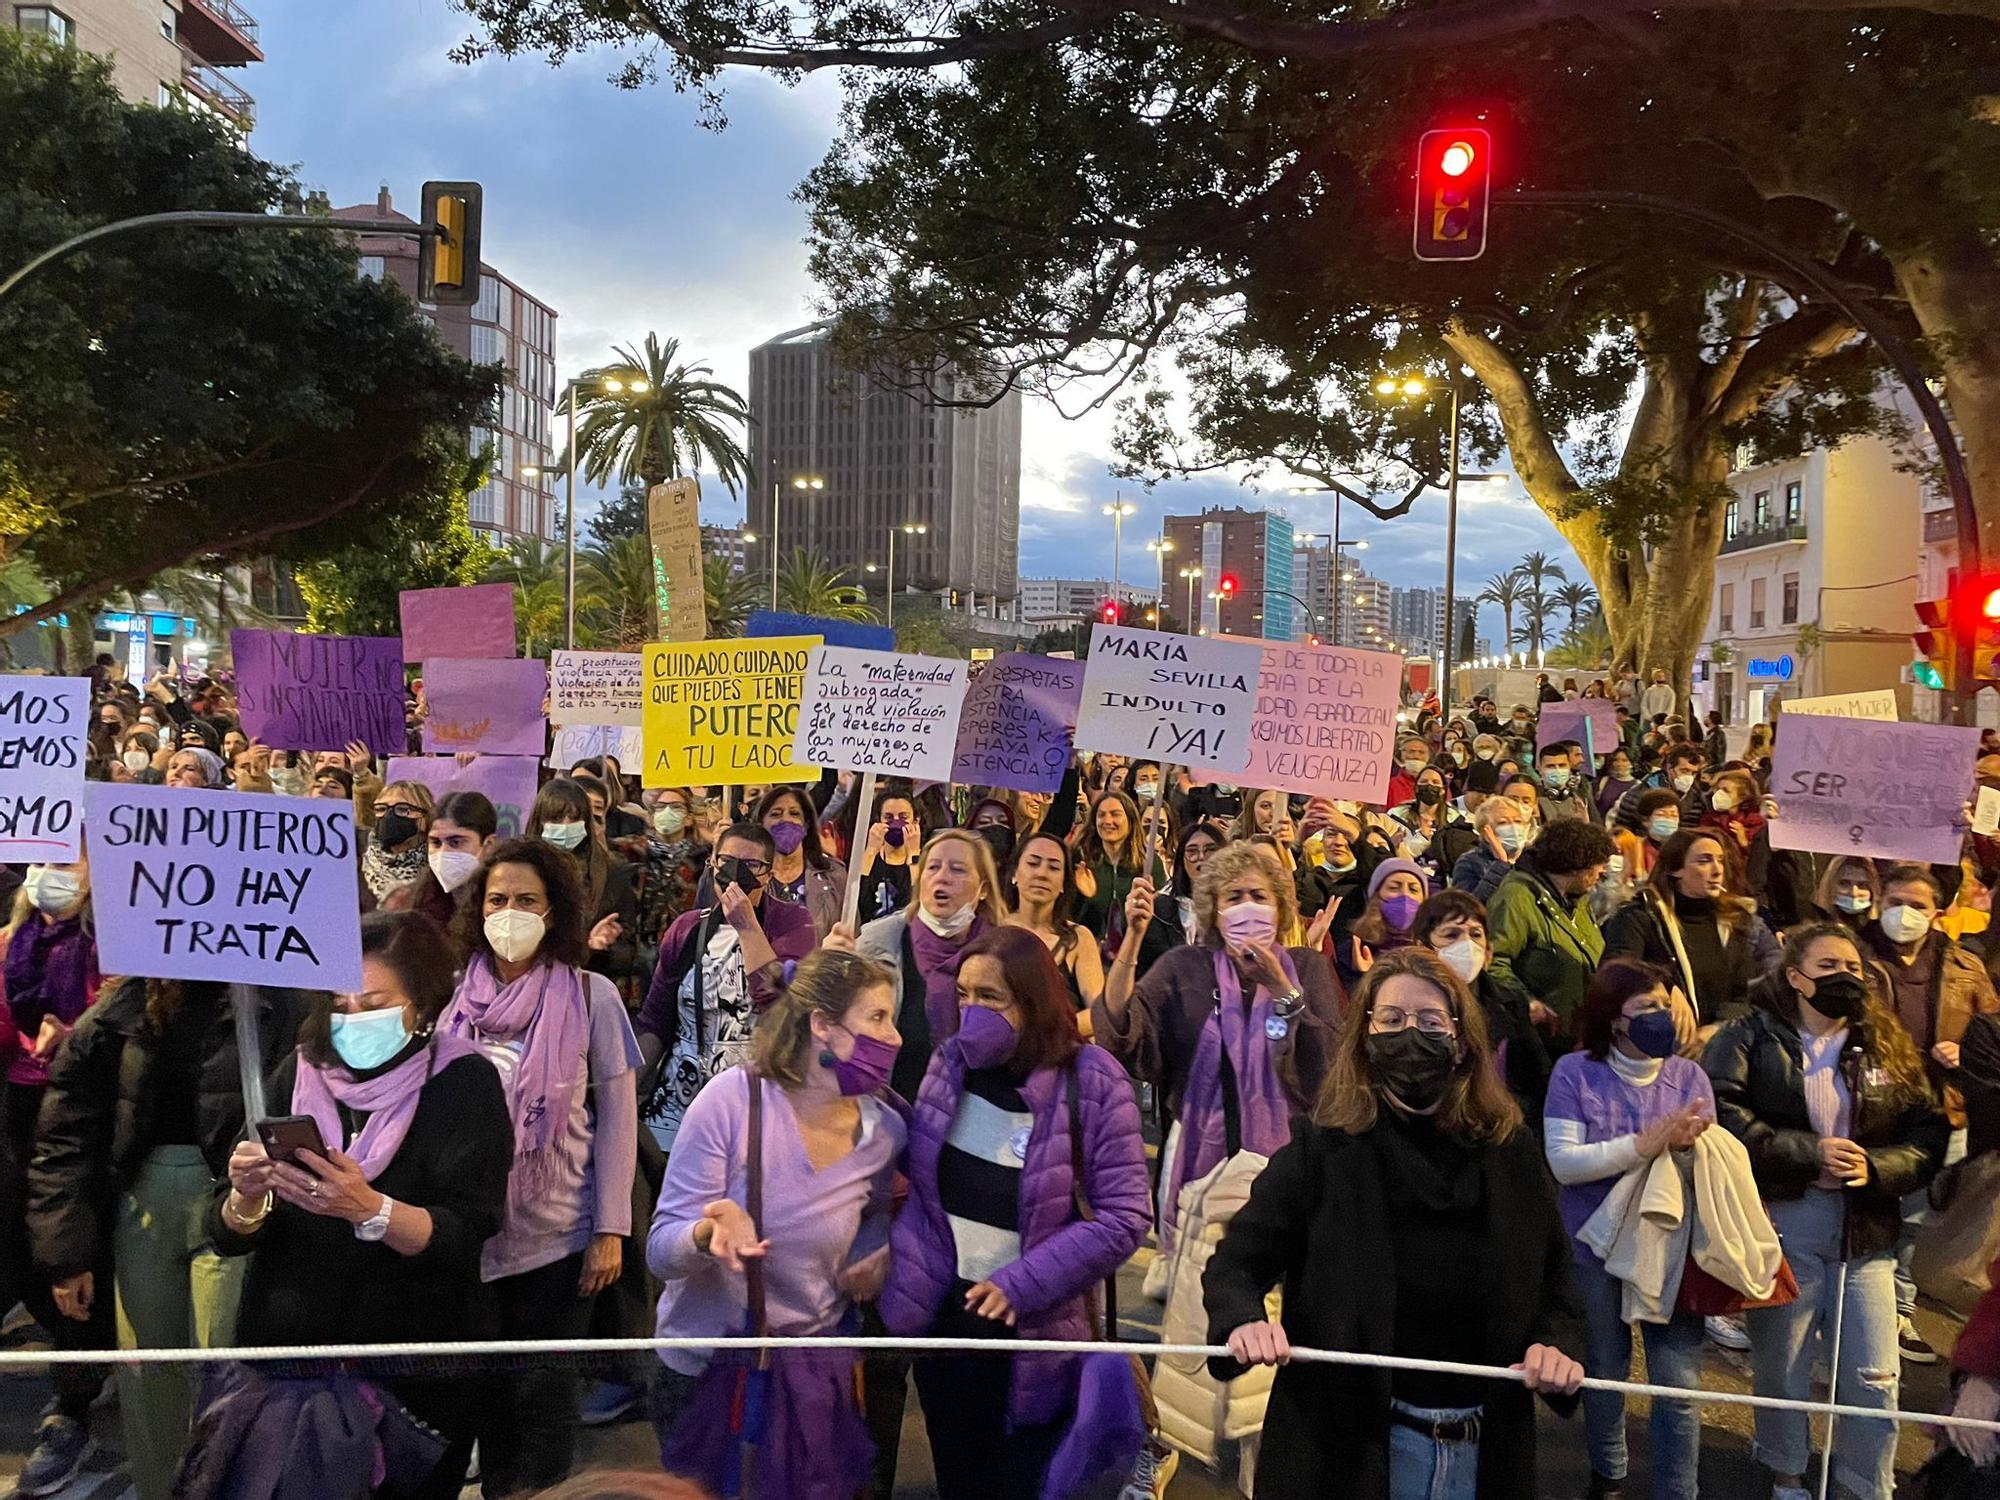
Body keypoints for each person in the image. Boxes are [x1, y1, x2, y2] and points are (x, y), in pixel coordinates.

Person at [1203, 947, 1587, 1500]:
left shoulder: (1509, 1153)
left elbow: (1557, 1278)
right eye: (1392, 1020)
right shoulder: (1322, 1152)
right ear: (1366, 1037)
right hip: (1350, 1454)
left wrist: (1556, 1342)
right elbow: (1237, 1263)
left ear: (1460, 1042)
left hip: (1484, 1450)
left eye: (1431, 1021)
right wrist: (1243, 1320)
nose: (1411, 1033)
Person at [210, 911, 512, 1498]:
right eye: (341, 1006)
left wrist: (370, 1209)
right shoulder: (299, 1071)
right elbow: (229, 1229)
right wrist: (245, 1197)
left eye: (372, 1003)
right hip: (291, 1365)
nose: (352, 1020)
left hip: (414, 1373)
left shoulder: (464, 1081)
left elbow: (466, 1230)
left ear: (422, 1006)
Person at [882, 926, 1151, 1500]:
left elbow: (1126, 1216)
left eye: (991, 998)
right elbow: (926, 1172)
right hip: (947, 1327)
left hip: (1034, 1334)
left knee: (1024, 1479)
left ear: (1031, 1002)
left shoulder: (1093, 1078)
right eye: (965, 995)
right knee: (960, 1475)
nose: (971, 1009)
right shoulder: (949, 1061)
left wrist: (1020, 1284)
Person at [27, 972, 309, 1500]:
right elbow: (67, 1130)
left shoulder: (279, 1001)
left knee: (225, 1368)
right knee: (147, 1376)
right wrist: (66, 1253)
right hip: (143, 1204)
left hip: (240, 1200)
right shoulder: (122, 1007)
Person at [1703, 923, 1948, 1500]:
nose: (1845, 979)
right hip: (1783, 1221)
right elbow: (1722, 1113)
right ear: (1794, 977)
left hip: (1866, 1232)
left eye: (1854, 970)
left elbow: (1928, 1130)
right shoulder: (1749, 1038)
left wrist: (1879, 1167)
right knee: (1781, 1367)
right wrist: (1807, 1152)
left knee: (1875, 1375)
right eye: (1829, 967)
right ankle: (1787, 1472)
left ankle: (1866, 1483)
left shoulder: (1885, 1044)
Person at [647, 950, 906, 1494]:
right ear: (822, 1026)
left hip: (814, 1376)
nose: (897, 1038)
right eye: (878, 1017)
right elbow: (659, 1251)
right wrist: (704, 1234)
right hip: (706, 1373)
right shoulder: (731, 1102)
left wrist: (877, 1247)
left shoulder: (885, 1134)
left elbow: (877, 1215)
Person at [443, 838, 642, 1498]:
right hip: (471, 1239)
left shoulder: (592, 995)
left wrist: (610, 1228)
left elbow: (617, 1117)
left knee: (545, 1401)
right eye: (498, 900)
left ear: (553, 912)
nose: (510, 913)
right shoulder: (451, 999)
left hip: (559, 1239)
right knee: (489, 1400)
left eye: (527, 900)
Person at [1094, 842, 1342, 1271]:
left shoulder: (1307, 966)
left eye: (1259, 896)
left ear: (1280, 907)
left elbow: (1330, 1064)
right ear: (1214, 909)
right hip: (1201, 1168)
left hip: (1288, 1166)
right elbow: (1120, 1031)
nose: (1248, 906)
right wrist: (1133, 939)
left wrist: (1283, 989)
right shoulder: (1184, 967)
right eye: (1234, 897)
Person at [1545, 960, 1715, 1500]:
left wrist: (1685, 1147)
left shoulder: (1690, 1077)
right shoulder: (1574, 1072)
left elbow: (1711, 1164)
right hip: (1591, 1243)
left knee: (1679, 1382)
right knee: (1604, 1370)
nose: (1660, 1017)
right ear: (1614, 1020)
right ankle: (1609, 1475)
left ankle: (1678, 1490)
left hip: (1669, 1245)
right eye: (1645, 1008)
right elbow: (1565, 1164)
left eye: (1665, 1005)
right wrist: (1645, 1145)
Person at [1857, 863, 1998, 1361]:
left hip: (1943, 1109)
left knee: (1918, 1221)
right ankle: (1860, 1314)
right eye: (1895, 902)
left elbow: (1991, 1031)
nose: (1904, 914)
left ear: (1939, 913)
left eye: (1917, 906)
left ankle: (1898, 1313)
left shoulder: (1965, 966)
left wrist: (1967, 1052)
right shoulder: (1855, 956)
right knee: (1872, 1213)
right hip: (1873, 1110)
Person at [0, 853, 108, 1496]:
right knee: (22, 1254)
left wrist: (74, 1034)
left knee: (69, 1259)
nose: (50, 871)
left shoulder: (115, 946)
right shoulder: (12, 943)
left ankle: (74, 1407)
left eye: (66, 859)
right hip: (17, 1109)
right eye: (39, 857)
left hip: (84, 1114)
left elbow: (129, 1029)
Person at [637, 823, 817, 1155]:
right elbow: (656, 1019)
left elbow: (784, 1008)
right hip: (679, 1107)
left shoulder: (793, 924)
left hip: (756, 1108)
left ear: (768, 873)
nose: (736, 873)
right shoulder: (687, 929)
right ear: (713, 864)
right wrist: (625, 1089)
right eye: (727, 861)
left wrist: (747, 927)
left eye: (750, 865)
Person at [857, 828, 1008, 1100]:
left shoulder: (1004, 953)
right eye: (933, 867)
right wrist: (832, 968)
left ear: (983, 889)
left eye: (958, 870)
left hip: (972, 1116)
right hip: (892, 1114)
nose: (942, 877)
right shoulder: (876, 944)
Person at [1602, 829, 1761, 1038]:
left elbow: (1744, 995)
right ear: (1676, 869)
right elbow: (1616, 971)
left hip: (1717, 1047)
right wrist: (1663, 985)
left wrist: (1716, 1030)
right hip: (1656, 1045)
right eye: (1704, 861)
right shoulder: (1640, 917)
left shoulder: (1733, 921)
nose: (1717, 870)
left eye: (1720, 860)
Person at [1412, 890, 1549, 1124]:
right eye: (1451, 935)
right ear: (1422, 947)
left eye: (1476, 934)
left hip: (1501, 1128)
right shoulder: (1408, 1005)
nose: (1466, 945)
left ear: (1488, 951)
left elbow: (1535, 1078)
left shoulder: (1510, 1003)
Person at [1488, 817, 1613, 1035]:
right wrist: (1527, 1002)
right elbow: (1493, 961)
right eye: (1599, 863)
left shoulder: (1578, 900)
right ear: (1576, 866)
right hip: (1541, 1037)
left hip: (1581, 1031)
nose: (1602, 871)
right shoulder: (1516, 897)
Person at [533, 777, 639, 990]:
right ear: (539, 821)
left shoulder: (612, 874)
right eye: (555, 818)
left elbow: (628, 952)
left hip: (586, 991)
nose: (565, 826)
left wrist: (598, 947)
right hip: (530, 987)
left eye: (573, 818)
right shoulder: (522, 871)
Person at [1005, 832, 1106, 1018]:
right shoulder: (992, 930)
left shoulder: (1079, 938)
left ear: (1063, 884)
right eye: (1033, 864)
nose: (1042, 874)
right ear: (1014, 874)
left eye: (1053, 867)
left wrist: (1051, 1031)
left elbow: (1098, 1014)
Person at [383, 790, 497, 929]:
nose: (443, 852)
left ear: (489, 845)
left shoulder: (503, 904)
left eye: (455, 842)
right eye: (436, 843)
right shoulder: (408, 902)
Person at [754, 784, 848, 938]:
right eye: (776, 814)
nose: (786, 820)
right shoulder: (748, 875)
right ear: (761, 824)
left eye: (795, 813)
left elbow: (850, 933)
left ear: (807, 824)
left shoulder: (834, 873)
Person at [1073, 788, 1166, 944]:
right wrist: (1088, 898)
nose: (1107, 821)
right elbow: (1069, 917)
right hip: (1088, 949)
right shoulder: (1081, 859)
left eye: (1115, 814)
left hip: (1135, 952)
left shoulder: (1149, 864)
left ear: (1130, 820)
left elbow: (1158, 919)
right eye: (1101, 815)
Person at [1343, 859, 1430, 986]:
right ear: (1376, 895)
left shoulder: (1433, 948)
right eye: (1394, 888)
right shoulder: (1353, 949)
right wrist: (1362, 978)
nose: (1405, 895)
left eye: (1414, 889)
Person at [362, 779, 435, 906]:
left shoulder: (436, 871)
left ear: (425, 818)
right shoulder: (357, 867)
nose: (389, 816)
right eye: (381, 808)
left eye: (403, 809)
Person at [853, 787, 921, 922]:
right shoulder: (869, 858)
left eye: (903, 817)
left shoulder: (925, 861)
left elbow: (916, 903)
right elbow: (856, 902)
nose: (896, 823)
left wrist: (913, 853)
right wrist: (871, 850)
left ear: (915, 821)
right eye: (888, 818)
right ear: (878, 821)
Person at [1452, 795, 1529, 904]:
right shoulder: (1469, 862)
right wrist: (1501, 865)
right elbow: (1468, 907)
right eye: (1503, 822)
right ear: (1485, 832)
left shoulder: (1533, 860)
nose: (1513, 827)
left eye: (1518, 821)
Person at [1813, 857, 1880, 936]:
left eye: (1862, 885)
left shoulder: (1879, 934)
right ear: (1829, 886)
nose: (1853, 893)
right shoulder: (1813, 928)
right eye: (1844, 884)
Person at [1537, 743, 1595, 825]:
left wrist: (1585, 825)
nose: (1557, 770)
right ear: (1539, 769)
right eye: (1550, 766)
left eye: (1562, 765)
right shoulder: (1533, 796)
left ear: (1569, 767)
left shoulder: (1580, 798)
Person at [1595, 749, 1637, 820]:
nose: (1619, 764)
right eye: (1616, 760)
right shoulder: (1604, 781)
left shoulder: (1637, 786)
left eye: (1624, 760)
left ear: (1631, 763)